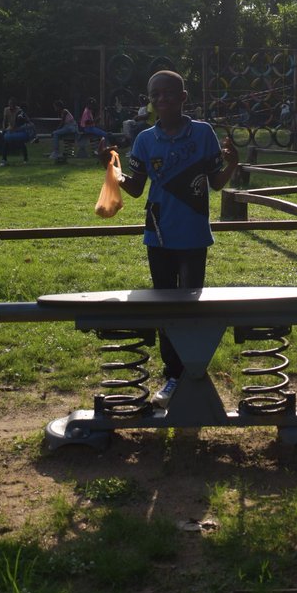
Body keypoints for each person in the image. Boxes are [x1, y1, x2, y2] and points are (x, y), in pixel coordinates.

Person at [98, 70, 239, 408]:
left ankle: (193, 370)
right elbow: (135, 188)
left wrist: (232, 164)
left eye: (169, 94)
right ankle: (173, 374)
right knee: (165, 308)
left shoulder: (203, 134)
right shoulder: (146, 139)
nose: (162, 100)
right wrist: (111, 167)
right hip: (158, 234)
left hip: (193, 236)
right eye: (155, 94)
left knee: (190, 307)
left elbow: (216, 183)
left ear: (183, 97)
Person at [0, 97, 34, 166]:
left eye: (12, 104)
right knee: (5, 142)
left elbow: (27, 121)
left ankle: (25, 159)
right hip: (10, 128)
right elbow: (4, 120)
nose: (10, 106)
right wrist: (3, 127)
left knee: (21, 143)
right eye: (9, 104)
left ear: (15, 105)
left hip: (19, 129)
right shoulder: (6, 110)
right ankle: (4, 160)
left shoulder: (20, 111)